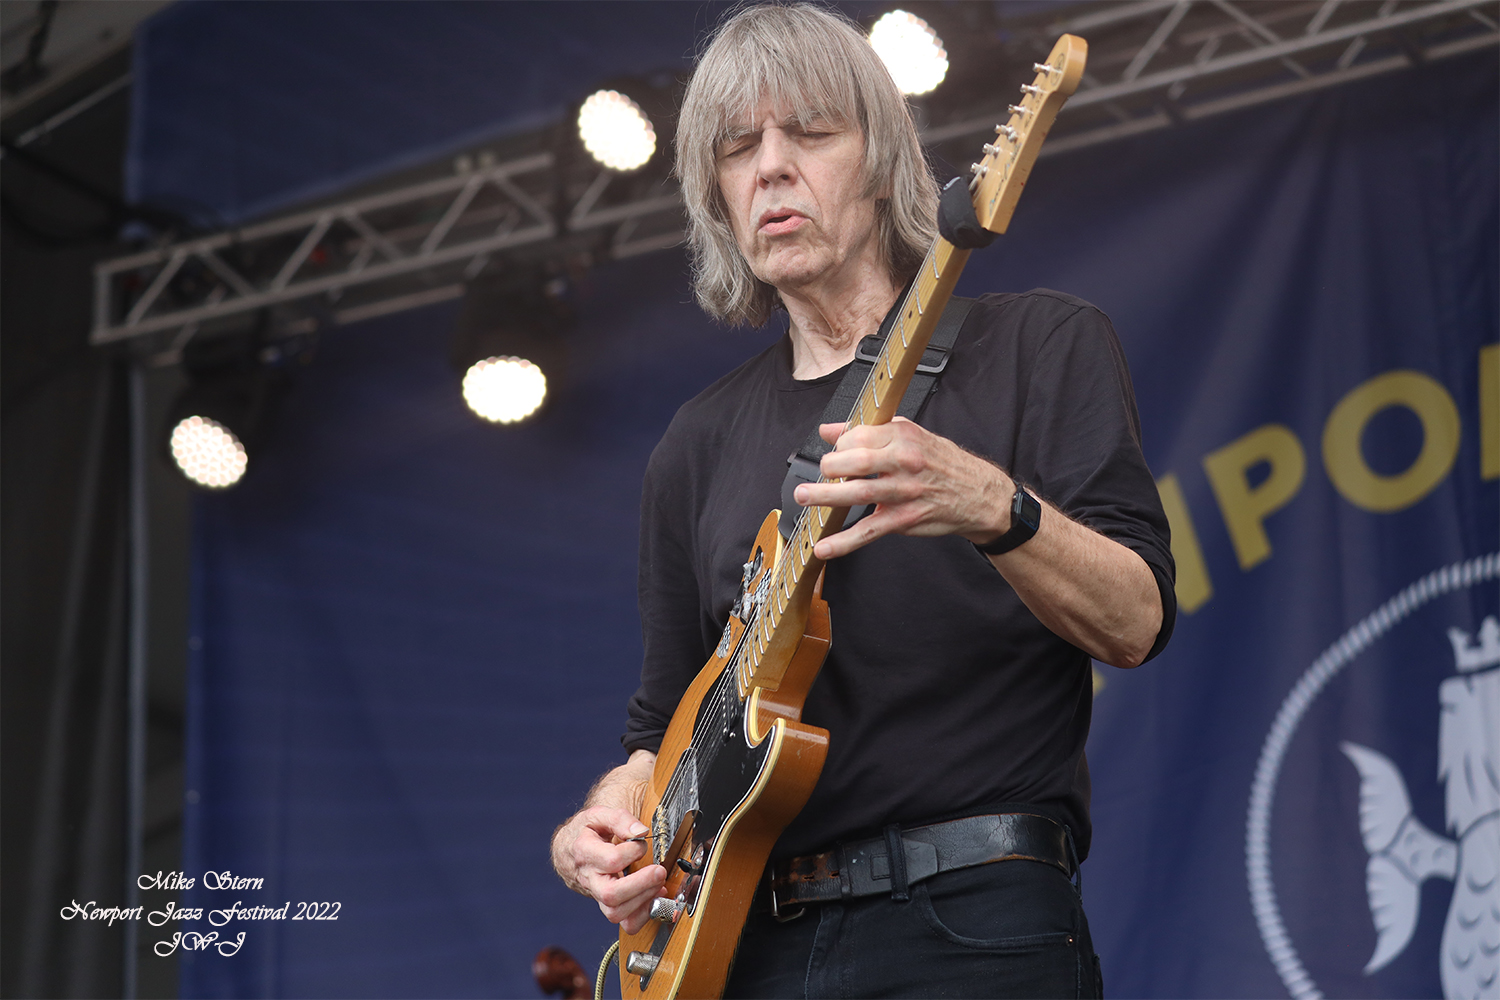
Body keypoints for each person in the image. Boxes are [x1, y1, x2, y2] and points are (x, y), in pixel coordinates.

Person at [550, 5, 1175, 997]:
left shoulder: (1041, 346)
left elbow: (1137, 619)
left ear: (884, 160)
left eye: (810, 132)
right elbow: (662, 719)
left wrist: (990, 503)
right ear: (715, 192)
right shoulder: (695, 444)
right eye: (738, 147)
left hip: (976, 919)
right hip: (747, 941)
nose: (771, 167)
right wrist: (609, 822)